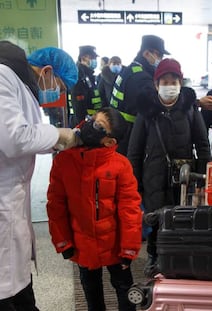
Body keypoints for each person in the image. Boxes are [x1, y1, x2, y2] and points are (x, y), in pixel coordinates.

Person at [0, 41, 79, 311]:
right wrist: (59, 135)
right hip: (3, 199)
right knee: (7, 292)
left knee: (18, 287)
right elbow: (15, 138)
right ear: (47, 71)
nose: (56, 92)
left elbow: (29, 135)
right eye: (59, 85)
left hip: (11, 200)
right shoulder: (2, 76)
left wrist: (55, 141)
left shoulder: (22, 86)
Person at [46, 107, 142, 311]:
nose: (90, 125)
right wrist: (62, 240)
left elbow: (130, 209)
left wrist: (129, 248)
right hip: (82, 243)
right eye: (92, 119)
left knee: (124, 289)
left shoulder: (120, 165)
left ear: (110, 141)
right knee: (91, 292)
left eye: (99, 126)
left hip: (115, 243)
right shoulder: (64, 160)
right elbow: (56, 204)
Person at [127, 58, 211, 278]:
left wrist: (202, 178)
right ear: (156, 84)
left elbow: (203, 145)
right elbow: (134, 151)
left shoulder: (190, 109)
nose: (170, 85)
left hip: (185, 175)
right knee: (156, 219)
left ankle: (181, 257)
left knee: (183, 217)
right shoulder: (146, 112)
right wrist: (135, 184)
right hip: (153, 175)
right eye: (165, 81)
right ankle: (154, 257)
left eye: (174, 80)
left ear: (180, 82)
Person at [111, 34, 212, 155]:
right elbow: (158, 100)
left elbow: (202, 145)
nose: (161, 59)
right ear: (147, 53)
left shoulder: (130, 70)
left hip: (124, 130)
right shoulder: (140, 77)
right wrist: (196, 102)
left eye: (174, 82)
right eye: (159, 55)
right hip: (131, 132)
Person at [71, 45, 103, 126]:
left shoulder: (88, 75)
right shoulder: (79, 76)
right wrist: (83, 126)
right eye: (92, 58)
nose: (94, 60)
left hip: (92, 121)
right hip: (84, 123)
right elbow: (79, 107)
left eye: (95, 58)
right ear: (83, 58)